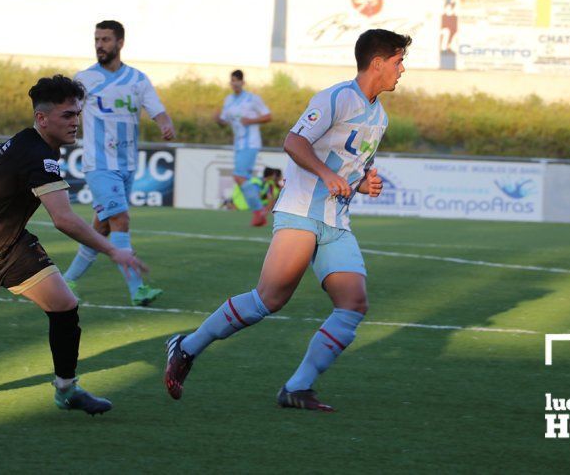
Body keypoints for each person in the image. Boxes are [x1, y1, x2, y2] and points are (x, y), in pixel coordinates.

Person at [164, 29, 411, 412]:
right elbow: (294, 142)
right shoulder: (335, 98)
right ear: (377, 63)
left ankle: (298, 387)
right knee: (269, 300)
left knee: (353, 304)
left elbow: (350, 170)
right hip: (300, 211)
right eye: (398, 61)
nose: (402, 70)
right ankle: (187, 347)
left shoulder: (379, 116)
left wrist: (364, 183)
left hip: (335, 222)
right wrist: (327, 177)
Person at [0, 75, 147, 413]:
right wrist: (113, 249)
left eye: (77, 114)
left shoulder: (34, 145)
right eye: (67, 115)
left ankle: (66, 389)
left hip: (9, 244)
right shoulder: (37, 155)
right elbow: (63, 219)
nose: (75, 122)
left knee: (64, 305)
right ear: (42, 118)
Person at [62, 20, 175, 306]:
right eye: (97, 39)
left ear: (120, 43)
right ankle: (137, 290)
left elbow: (158, 111)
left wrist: (165, 125)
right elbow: (65, 111)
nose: (100, 45)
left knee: (100, 229)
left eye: (106, 39)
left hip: (126, 165)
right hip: (99, 164)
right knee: (121, 220)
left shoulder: (138, 79)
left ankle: (65, 281)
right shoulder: (84, 79)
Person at [214, 69, 272, 226]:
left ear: (243, 82)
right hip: (239, 144)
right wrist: (218, 119)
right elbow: (224, 122)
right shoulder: (229, 100)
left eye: (236, 80)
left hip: (251, 142)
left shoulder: (252, 99)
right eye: (232, 80)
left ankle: (259, 210)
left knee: (239, 176)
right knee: (241, 178)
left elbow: (268, 116)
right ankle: (259, 211)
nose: (234, 83)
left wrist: (251, 121)